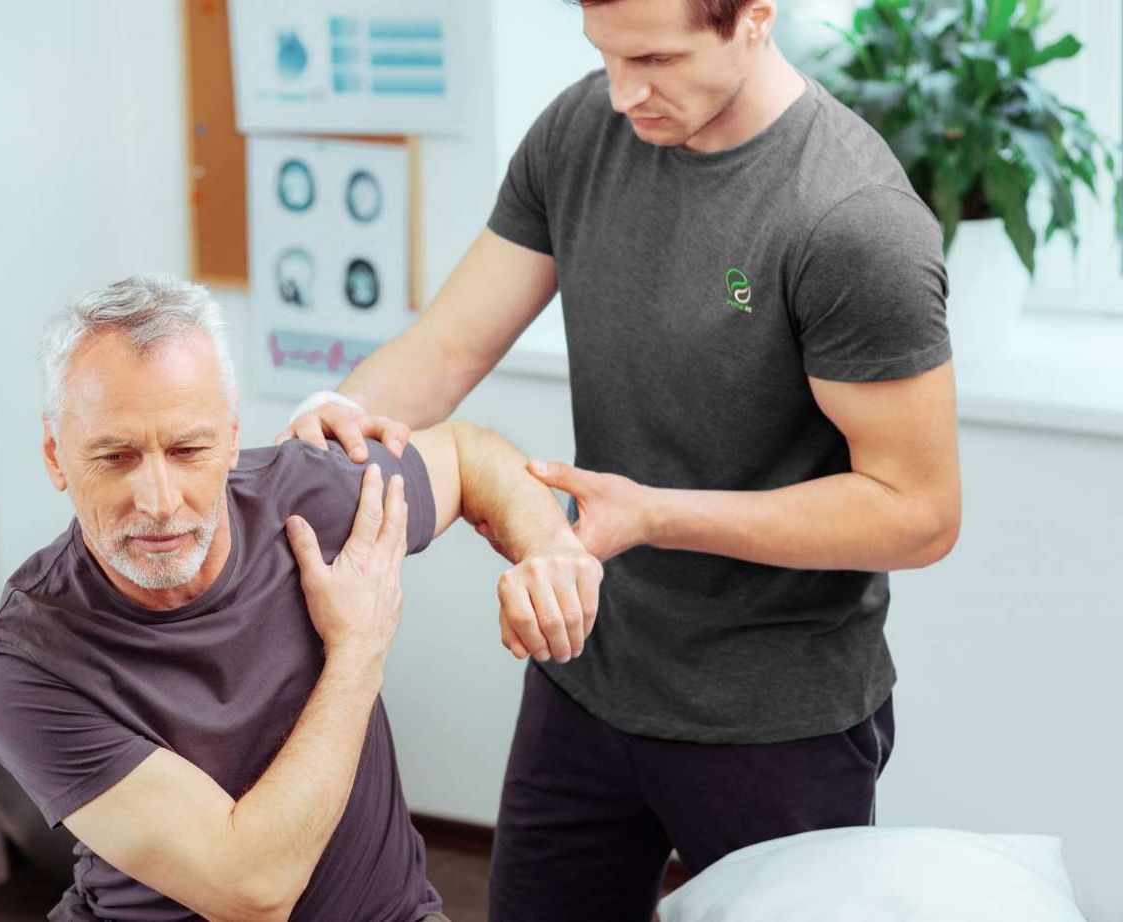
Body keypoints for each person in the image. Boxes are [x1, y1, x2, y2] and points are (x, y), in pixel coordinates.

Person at [279, 0, 962, 918]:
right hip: (585, 672)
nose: (624, 91)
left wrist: (656, 514)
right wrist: (316, 437)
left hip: (774, 719)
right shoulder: (580, 131)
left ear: (756, 16)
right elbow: (445, 350)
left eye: (655, 58)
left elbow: (917, 511)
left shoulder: (851, 220)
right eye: (603, 54)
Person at [0, 274, 601, 921]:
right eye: (116, 457)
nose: (160, 501)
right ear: (56, 455)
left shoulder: (303, 500)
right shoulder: (28, 658)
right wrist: (357, 652)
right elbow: (252, 891)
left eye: (189, 449)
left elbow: (470, 456)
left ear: (232, 433)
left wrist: (551, 546)